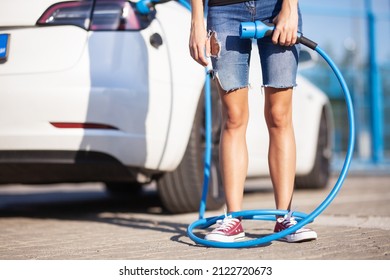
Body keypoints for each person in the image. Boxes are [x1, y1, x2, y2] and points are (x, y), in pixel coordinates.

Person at [189, 0, 317, 243]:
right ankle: (233, 219)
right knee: (234, 117)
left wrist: (289, 8)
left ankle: (284, 218)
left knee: (280, 116)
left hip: (277, 6)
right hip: (224, 9)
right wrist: (197, 18)